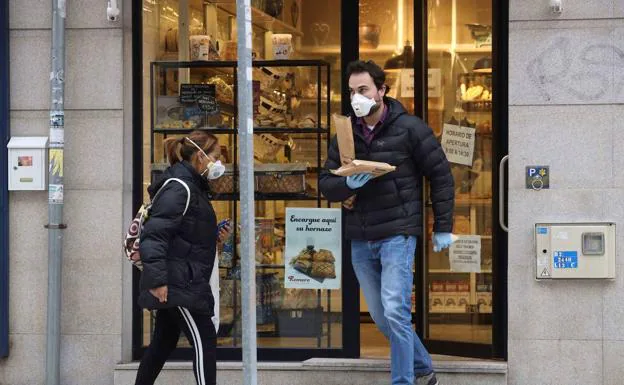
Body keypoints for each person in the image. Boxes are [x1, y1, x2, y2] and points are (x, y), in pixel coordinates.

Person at [319, 60, 455, 385]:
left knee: (395, 310)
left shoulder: (410, 128)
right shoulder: (345, 134)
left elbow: (441, 175)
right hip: (361, 236)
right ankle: (423, 367)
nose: (357, 97)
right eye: (352, 91)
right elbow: (325, 183)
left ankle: (404, 381)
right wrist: (346, 184)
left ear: (381, 90)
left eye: (363, 89)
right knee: (382, 317)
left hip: (398, 232)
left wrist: (444, 226)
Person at [134, 130, 231, 385]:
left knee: (162, 343)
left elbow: (184, 233)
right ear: (200, 157)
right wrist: (157, 281)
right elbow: (154, 236)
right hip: (178, 283)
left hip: (182, 278)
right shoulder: (181, 188)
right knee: (205, 340)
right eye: (215, 156)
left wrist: (214, 236)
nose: (219, 163)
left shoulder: (193, 187)